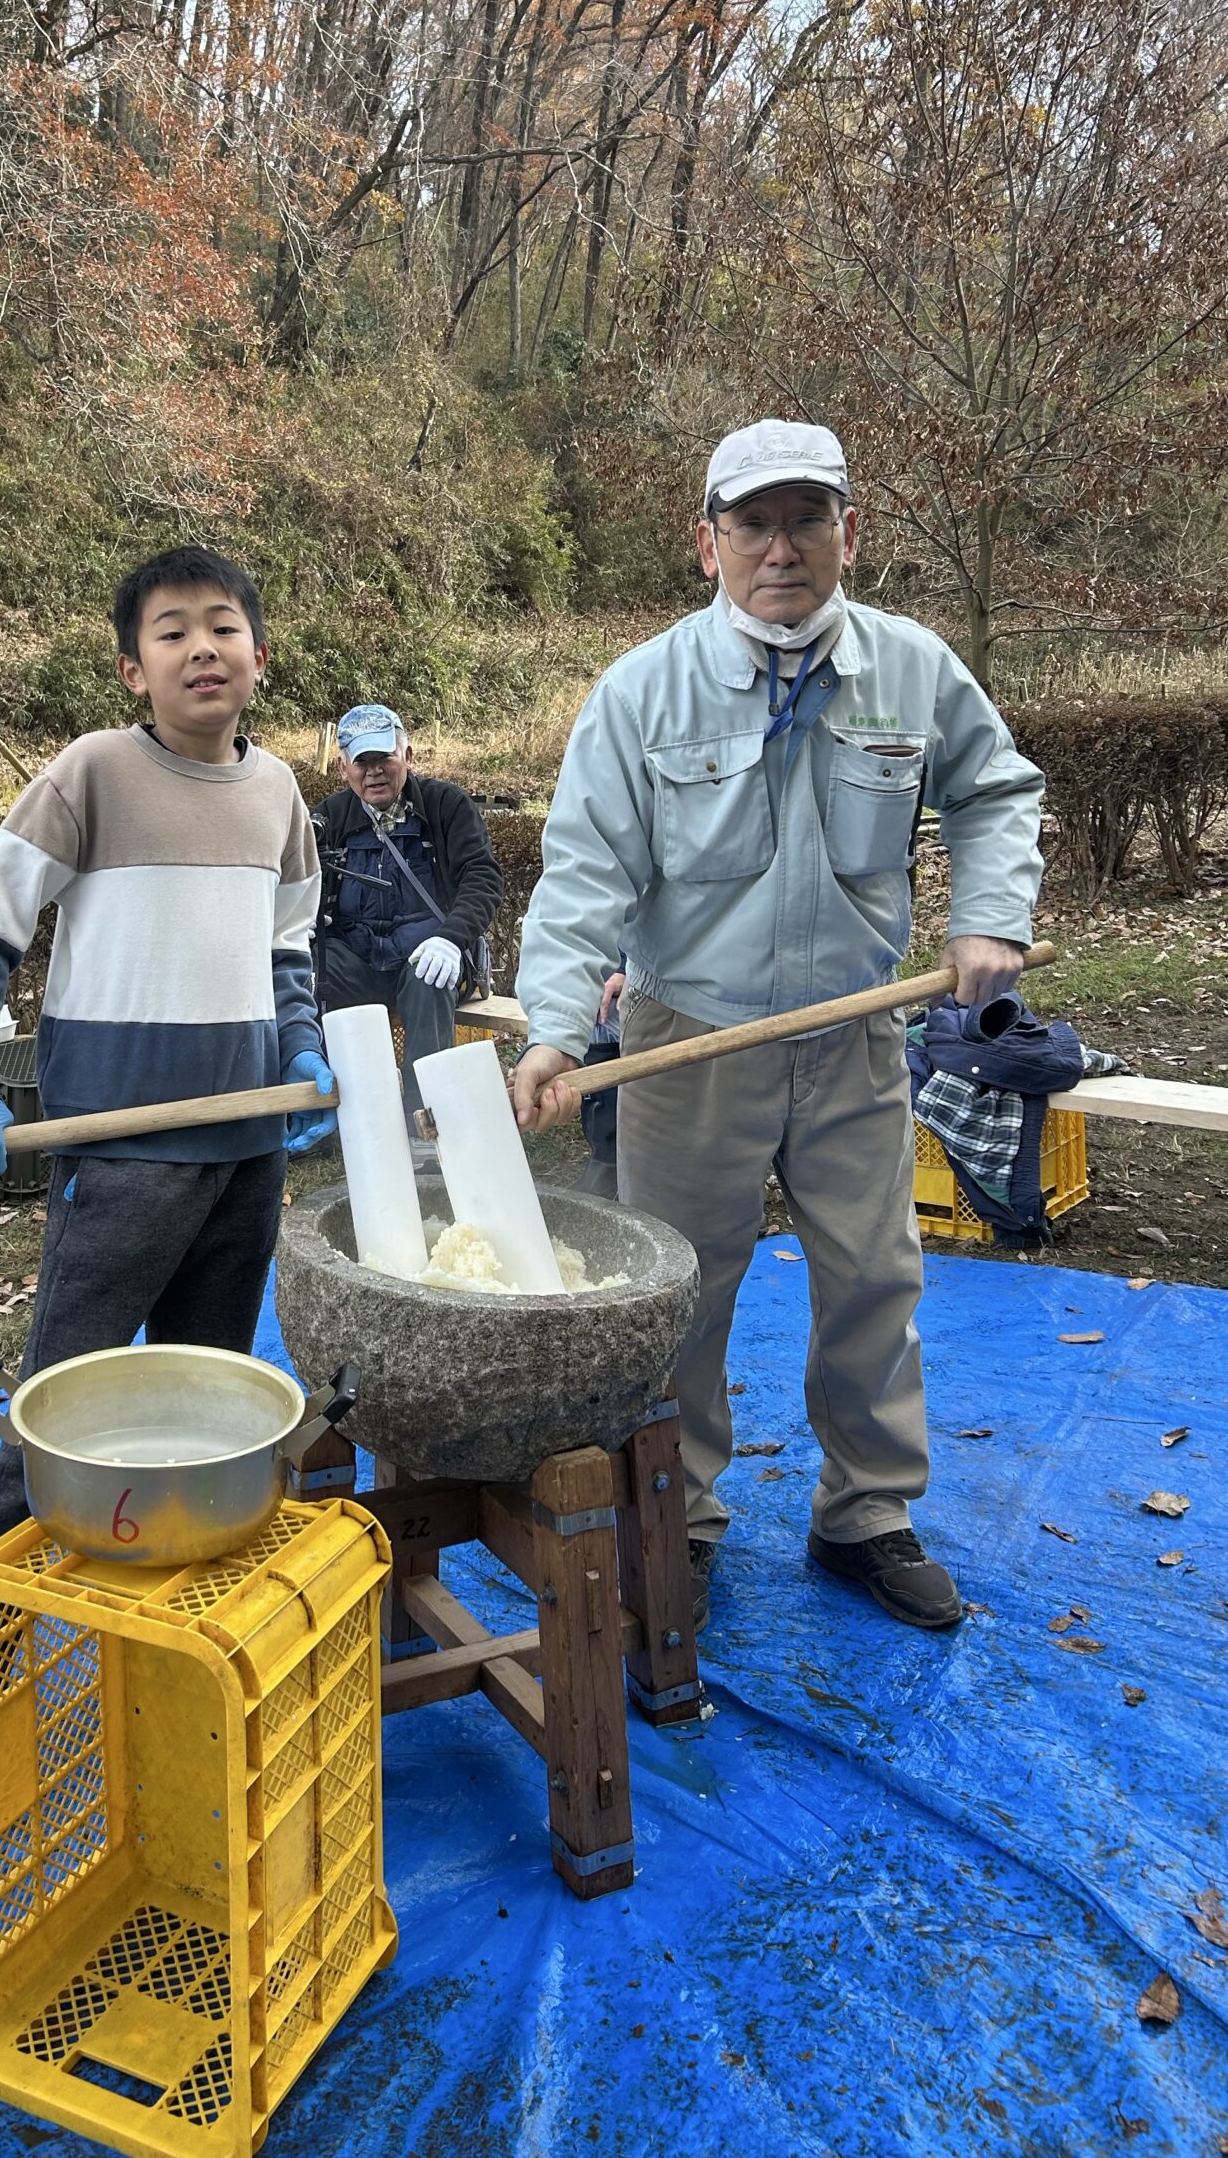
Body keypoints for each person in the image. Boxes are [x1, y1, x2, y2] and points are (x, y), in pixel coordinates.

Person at [512, 420, 1043, 1630]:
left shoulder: (912, 669)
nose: (781, 548)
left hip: (854, 1036)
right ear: (709, 543)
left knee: (873, 1277)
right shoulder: (643, 692)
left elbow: (995, 790)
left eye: (807, 518)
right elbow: (585, 870)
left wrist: (989, 917)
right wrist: (555, 1028)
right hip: (689, 1040)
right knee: (677, 1295)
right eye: (752, 522)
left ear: (850, 532)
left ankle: (864, 1512)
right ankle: (677, 1516)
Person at [0, 546, 337, 1551]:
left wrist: (299, 1051)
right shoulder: (93, 774)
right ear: (132, 669)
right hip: (119, 1155)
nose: (203, 648)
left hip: (245, 1151)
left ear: (260, 657)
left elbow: (286, 946)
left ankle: (172, 1589)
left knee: (208, 1396)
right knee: (64, 1402)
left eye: (224, 627)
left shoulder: (279, 792)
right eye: (172, 632)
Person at [312, 703, 504, 1129]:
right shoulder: (330, 816)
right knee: (309, 975)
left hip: (428, 954)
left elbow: (483, 878)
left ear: (408, 756)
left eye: (384, 758)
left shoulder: (446, 806)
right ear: (343, 769)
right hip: (360, 958)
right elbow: (302, 887)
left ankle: (427, 1121)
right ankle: (340, 1116)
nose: (374, 772)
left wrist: (451, 939)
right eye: (361, 762)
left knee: (428, 980)